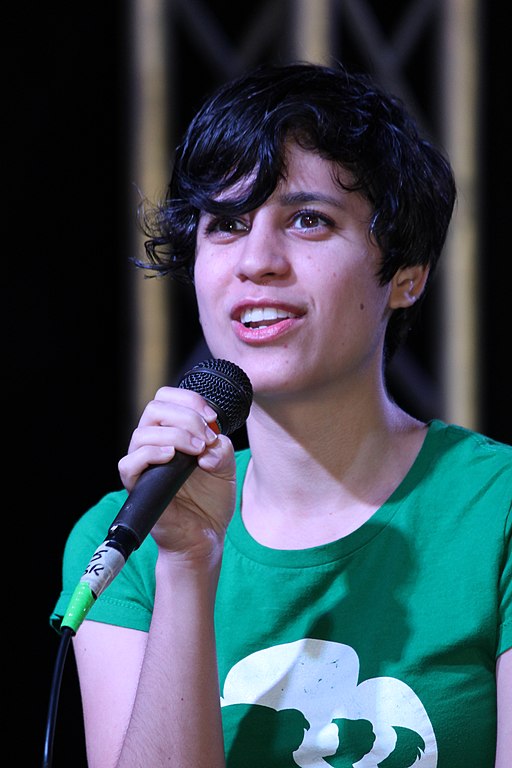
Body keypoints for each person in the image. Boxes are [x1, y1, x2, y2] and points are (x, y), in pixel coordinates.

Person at [50, 61, 511, 768]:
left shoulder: (495, 507)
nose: (257, 261)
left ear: (407, 273)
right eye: (226, 224)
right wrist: (186, 563)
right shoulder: (125, 541)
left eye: (307, 220)